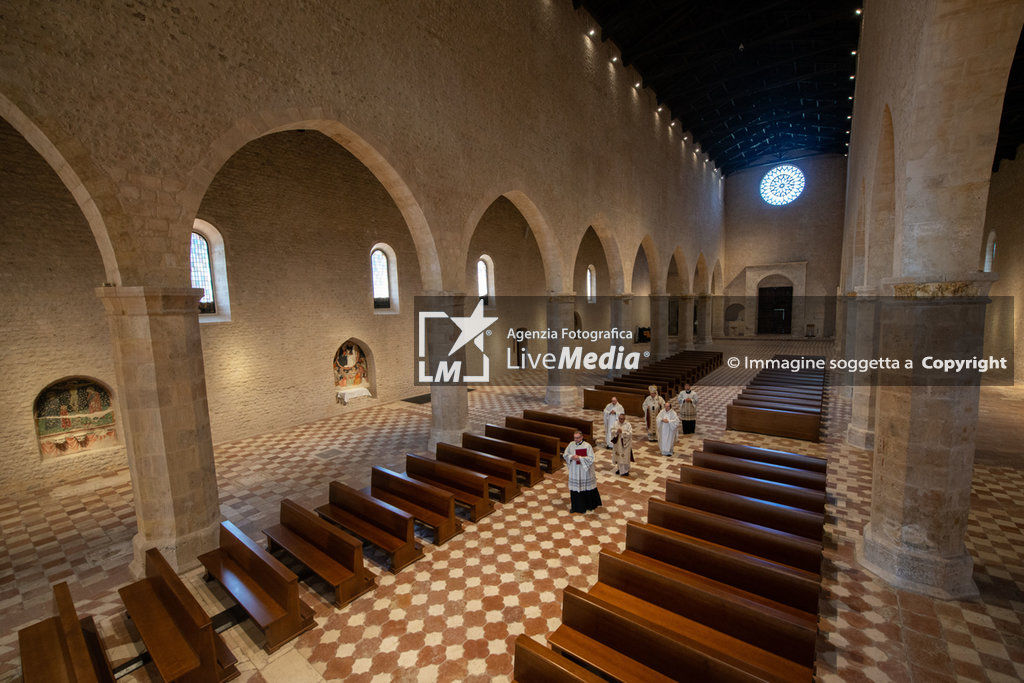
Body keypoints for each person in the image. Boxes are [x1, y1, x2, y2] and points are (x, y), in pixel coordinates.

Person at [563, 430, 602, 513]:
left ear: (581, 437)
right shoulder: (571, 444)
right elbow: (565, 454)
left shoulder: (587, 446)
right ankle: (575, 507)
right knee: (575, 489)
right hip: (575, 470)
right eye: (574, 438)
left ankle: (588, 506)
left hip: (584, 471)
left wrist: (580, 458)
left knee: (585, 488)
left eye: (577, 438)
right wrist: (571, 457)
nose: (576, 440)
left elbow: (591, 458)